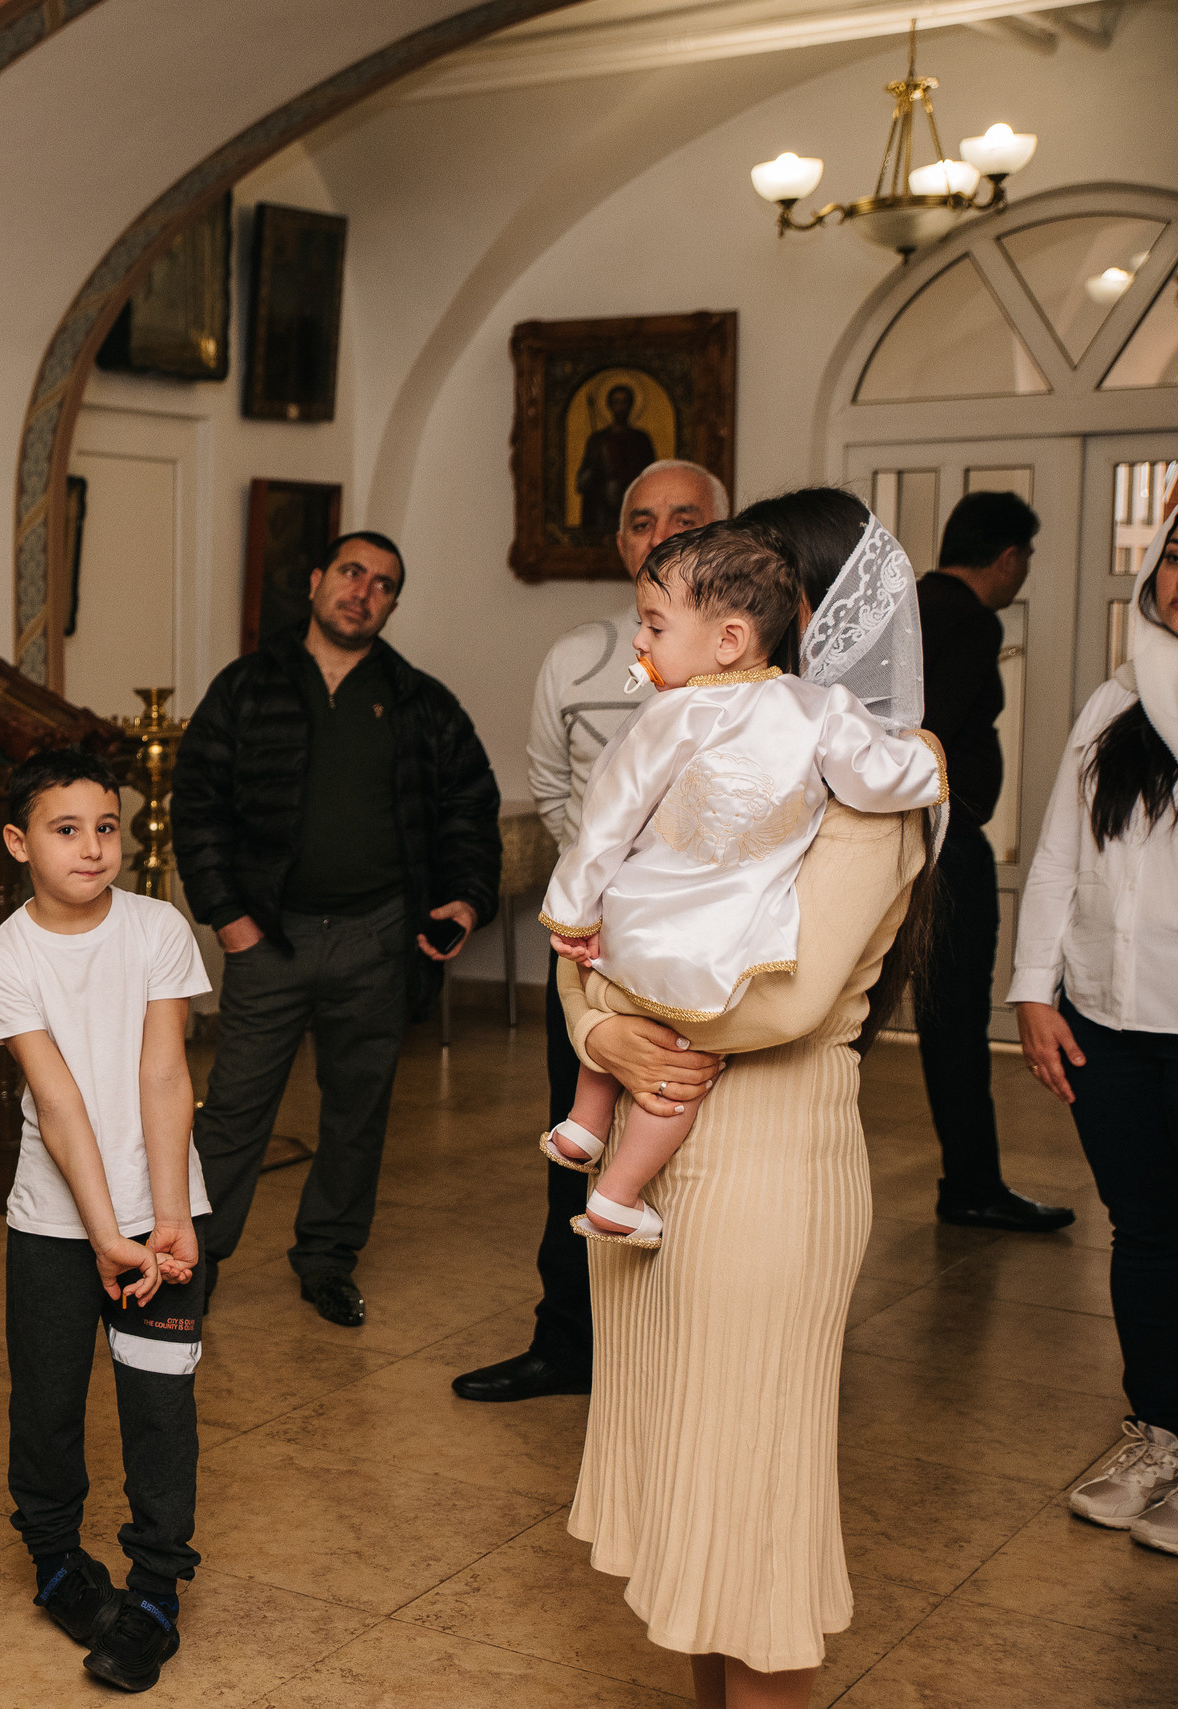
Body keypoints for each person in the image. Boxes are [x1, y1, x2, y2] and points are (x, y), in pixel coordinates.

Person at [565, 487, 939, 1708]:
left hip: (768, 1170)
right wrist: (602, 1027)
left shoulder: (878, 785)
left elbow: (773, 1005)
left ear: (807, 618)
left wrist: (613, 1009)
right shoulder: (703, 747)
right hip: (660, 1158)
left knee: (751, 1520)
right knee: (690, 1508)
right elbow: (602, 923)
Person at [539, 523, 947, 1246]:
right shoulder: (820, 711)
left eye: (654, 625)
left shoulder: (665, 716)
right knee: (682, 1058)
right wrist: (926, 763)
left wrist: (572, 912)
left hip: (633, 924)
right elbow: (880, 777)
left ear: (727, 640)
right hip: (721, 945)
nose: (639, 640)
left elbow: (604, 821)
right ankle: (619, 1193)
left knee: (639, 1021)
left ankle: (585, 1127)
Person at [174, 529, 500, 1328]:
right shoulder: (248, 686)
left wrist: (465, 897)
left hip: (377, 938)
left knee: (358, 1110)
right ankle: (196, 1262)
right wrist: (230, 918)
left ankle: (327, 1258)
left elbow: (469, 803)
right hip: (270, 937)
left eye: (384, 583)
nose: (364, 591)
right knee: (235, 1108)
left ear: (392, 602)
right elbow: (198, 802)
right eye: (352, 572)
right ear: (317, 580)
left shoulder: (420, 699)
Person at [457, 459, 725, 1402]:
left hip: (714, 962)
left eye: (683, 518)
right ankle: (566, 1344)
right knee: (576, 1143)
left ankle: (682, 1360)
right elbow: (560, 789)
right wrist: (605, 898)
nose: (660, 535)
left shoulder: (758, 656)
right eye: (640, 521)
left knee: (701, 1156)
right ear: (621, 543)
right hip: (593, 957)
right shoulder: (577, 656)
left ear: (722, 532)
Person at [0, 747, 210, 1694]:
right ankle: (59, 1563)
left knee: (159, 1411)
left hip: (165, 1217)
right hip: (52, 1225)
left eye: (106, 826)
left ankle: (155, 1590)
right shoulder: (8, 954)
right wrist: (101, 1230)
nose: (92, 847)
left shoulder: (159, 928)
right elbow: (59, 1099)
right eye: (65, 829)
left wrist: (164, 1222)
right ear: (18, 841)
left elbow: (164, 1075)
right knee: (46, 1404)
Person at [1010, 504, 1178, 1556]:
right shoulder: (1112, 704)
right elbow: (1060, 857)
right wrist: (1034, 988)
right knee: (1145, 1230)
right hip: (1107, 1022)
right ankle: (1157, 1431)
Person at [916, 491, 1076, 1233]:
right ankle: (972, 1184)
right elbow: (931, 729)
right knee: (955, 1020)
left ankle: (970, 1179)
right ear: (1008, 557)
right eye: (1026, 560)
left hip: (904, 842)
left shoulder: (908, 606)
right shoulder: (974, 620)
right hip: (947, 848)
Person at [576, 384, 659, 536]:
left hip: (632, 504)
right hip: (602, 510)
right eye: (616, 402)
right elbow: (581, 482)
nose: (620, 407)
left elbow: (650, 477)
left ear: (631, 406)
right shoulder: (597, 440)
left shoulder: (641, 439)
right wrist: (594, 465)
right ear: (609, 406)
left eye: (624, 402)